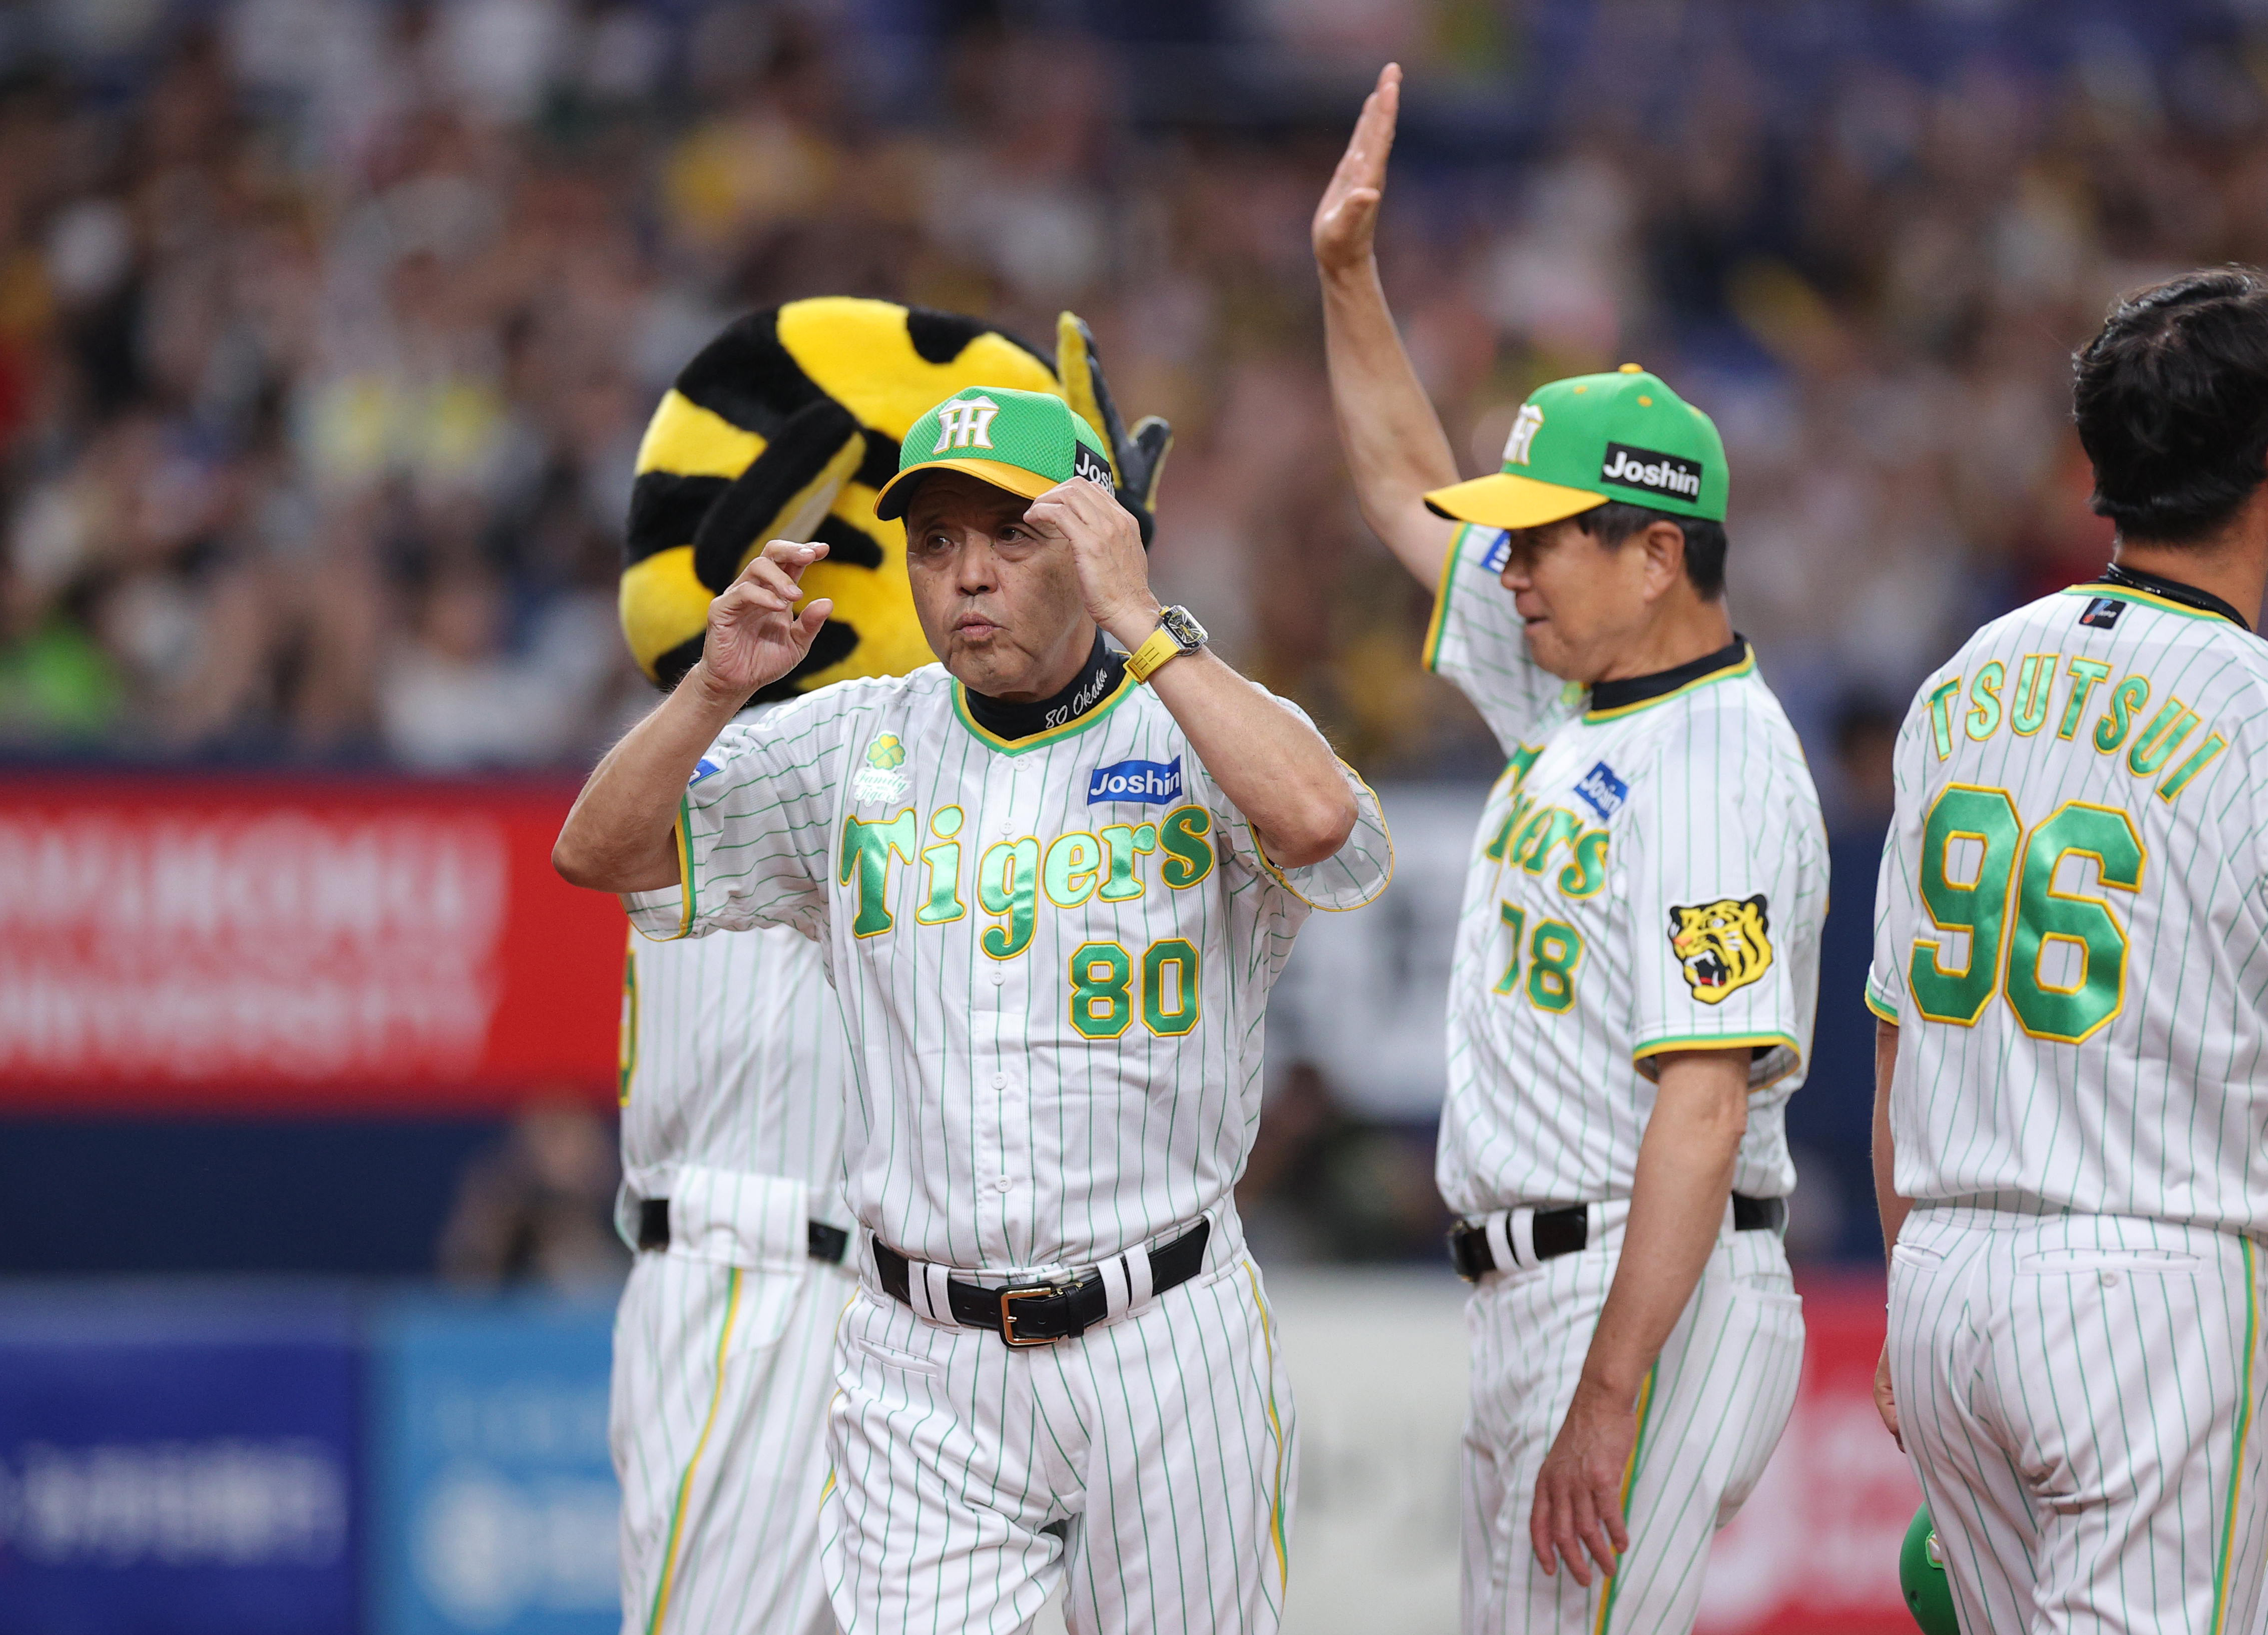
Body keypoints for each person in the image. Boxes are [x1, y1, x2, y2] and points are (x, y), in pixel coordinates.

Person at [555, 383, 1392, 1635]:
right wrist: (711, 691)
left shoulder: (1197, 721)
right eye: (935, 541)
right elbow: (597, 850)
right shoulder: (851, 742)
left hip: (1162, 1333)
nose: (968, 576)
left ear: (1098, 536)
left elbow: (1325, 827)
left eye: (1014, 533)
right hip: (920, 1358)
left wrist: (1145, 620)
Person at [1312, 64, 1825, 1634]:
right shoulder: (1574, 681)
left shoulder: (1717, 761)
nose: (1511, 565)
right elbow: (1408, 487)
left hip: (1640, 1287)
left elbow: (1704, 1094)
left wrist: (1611, 1389)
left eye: (1543, 534)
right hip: (1548, 1285)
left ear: (1657, 549)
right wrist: (1345, 277)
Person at [603, 300, 1170, 1635]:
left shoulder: (909, 761)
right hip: (744, 1281)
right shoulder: (762, 756)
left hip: (894, 1308)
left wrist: (1102, 571)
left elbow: (1032, 753)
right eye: (920, 542)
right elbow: (632, 824)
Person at [1870, 269, 2268, 1634]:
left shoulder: (1961, 677)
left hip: (1941, 1277)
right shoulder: (2252, 715)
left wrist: (1916, 1279)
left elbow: (1892, 1037)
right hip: (2150, 1282)